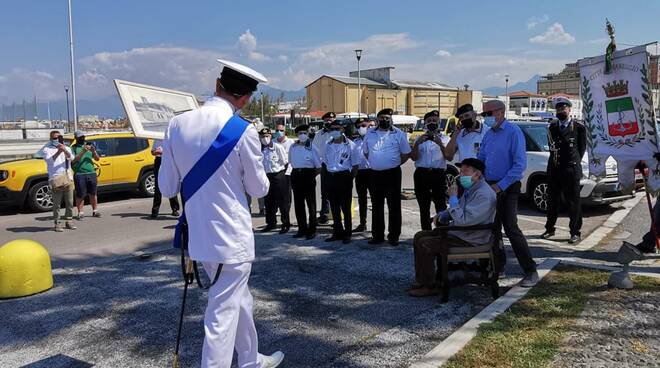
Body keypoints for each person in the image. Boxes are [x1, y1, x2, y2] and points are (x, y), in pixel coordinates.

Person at [158, 59, 283, 368]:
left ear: (217, 85)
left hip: (200, 239)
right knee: (222, 315)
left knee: (239, 300)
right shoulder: (243, 131)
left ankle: (252, 360)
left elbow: (167, 186)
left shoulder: (176, 124)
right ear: (246, 99)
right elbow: (259, 189)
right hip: (233, 241)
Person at [409, 158, 496, 297]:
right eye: (460, 171)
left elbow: (463, 221)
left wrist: (453, 198)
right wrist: (442, 215)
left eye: (465, 171)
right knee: (420, 235)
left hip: (471, 238)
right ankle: (423, 280)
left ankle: (431, 285)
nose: (461, 175)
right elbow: (458, 210)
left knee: (425, 243)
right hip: (462, 233)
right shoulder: (472, 188)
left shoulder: (483, 194)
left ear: (477, 174)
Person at [478, 100, 538, 287]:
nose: (486, 117)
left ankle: (530, 271)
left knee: (511, 228)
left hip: (508, 187)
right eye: (484, 113)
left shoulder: (513, 132)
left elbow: (519, 165)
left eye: (490, 113)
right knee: (492, 230)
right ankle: (498, 267)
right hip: (488, 185)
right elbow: (482, 158)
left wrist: (501, 185)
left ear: (501, 112)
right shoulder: (488, 135)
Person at [363, 108, 412, 246]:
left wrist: (394, 163)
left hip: (392, 174)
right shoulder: (370, 133)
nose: (384, 120)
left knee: (394, 205)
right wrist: (376, 162)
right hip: (375, 174)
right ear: (377, 119)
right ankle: (377, 236)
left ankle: (394, 236)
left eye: (387, 118)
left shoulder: (399, 133)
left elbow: (406, 153)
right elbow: (366, 153)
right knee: (377, 205)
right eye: (382, 118)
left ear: (391, 120)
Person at [541, 97, 587, 244]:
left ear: (569, 110)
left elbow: (581, 148)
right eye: (558, 109)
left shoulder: (578, 128)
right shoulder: (552, 127)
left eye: (564, 108)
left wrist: (573, 163)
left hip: (570, 169)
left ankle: (575, 232)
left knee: (573, 202)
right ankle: (550, 229)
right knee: (552, 201)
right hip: (554, 169)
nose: (561, 111)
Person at [410, 110, 450, 231]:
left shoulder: (445, 138)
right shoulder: (419, 138)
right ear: (425, 123)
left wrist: (440, 144)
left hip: (438, 174)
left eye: (434, 121)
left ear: (439, 123)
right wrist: (417, 144)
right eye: (429, 121)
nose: (432, 123)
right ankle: (426, 233)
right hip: (422, 174)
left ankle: (442, 232)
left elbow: (449, 156)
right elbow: (414, 157)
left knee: (441, 205)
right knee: (424, 206)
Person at [323, 119, 361, 244]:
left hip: (344, 177)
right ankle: (337, 232)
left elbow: (355, 165)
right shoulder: (327, 144)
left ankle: (347, 233)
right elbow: (325, 162)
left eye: (337, 129)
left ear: (343, 129)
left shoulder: (350, 145)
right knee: (334, 207)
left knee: (345, 207)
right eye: (332, 129)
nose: (334, 131)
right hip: (331, 177)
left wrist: (350, 178)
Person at [288, 124, 321, 239]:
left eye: (304, 133)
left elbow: (318, 166)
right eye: (300, 133)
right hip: (296, 174)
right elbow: (291, 161)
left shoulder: (312, 147)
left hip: (308, 175)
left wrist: (311, 176)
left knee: (311, 204)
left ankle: (312, 229)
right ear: (297, 134)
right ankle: (302, 229)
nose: (302, 135)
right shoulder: (293, 147)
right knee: (298, 204)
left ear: (308, 134)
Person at [43, 130, 76, 232]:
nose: (56, 139)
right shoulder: (47, 149)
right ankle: (57, 223)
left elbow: (71, 158)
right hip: (56, 178)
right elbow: (49, 161)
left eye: (58, 138)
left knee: (70, 202)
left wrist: (64, 150)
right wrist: (58, 151)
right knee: (57, 204)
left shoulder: (67, 148)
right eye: (54, 138)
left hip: (68, 177)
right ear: (50, 139)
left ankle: (69, 221)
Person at [260, 127, 291, 234]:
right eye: (263, 137)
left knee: (282, 201)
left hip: (278, 175)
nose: (265, 138)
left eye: (267, 136)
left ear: (271, 136)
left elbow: (284, 161)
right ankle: (271, 223)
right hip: (266, 176)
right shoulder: (260, 150)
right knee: (269, 202)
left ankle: (285, 224)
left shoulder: (277, 147)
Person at [71, 130, 101, 220]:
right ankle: (80, 212)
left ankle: (95, 211)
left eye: (83, 137)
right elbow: (74, 160)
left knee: (93, 193)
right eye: (80, 137)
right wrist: (83, 151)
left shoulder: (90, 146)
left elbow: (97, 159)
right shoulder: (73, 148)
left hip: (91, 173)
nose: (82, 138)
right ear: (76, 138)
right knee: (80, 194)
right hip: (80, 174)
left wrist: (94, 151)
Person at [312, 112, 335, 224]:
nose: (329, 122)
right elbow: (315, 150)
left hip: (336, 166)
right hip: (324, 165)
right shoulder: (319, 134)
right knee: (325, 191)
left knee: (336, 191)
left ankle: (336, 215)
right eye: (327, 120)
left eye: (331, 119)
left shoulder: (338, 133)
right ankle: (324, 214)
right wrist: (317, 165)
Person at [150, 139, 180, 219]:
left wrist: (164, 152)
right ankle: (155, 211)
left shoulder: (169, 139)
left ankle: (175, 209)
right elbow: (152, 152)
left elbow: (174, 151)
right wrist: (156, 152)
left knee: (170, 184)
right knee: (158, 185)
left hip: (168, 161)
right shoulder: (156, 139)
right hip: (159, 161)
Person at [351, 118, 372, 233]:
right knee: (362, 199)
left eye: (363, 125)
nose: (361, 128)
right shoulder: (356, 141)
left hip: (372, 172)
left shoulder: (373, 139)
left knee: (376, 199)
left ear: (369, 125)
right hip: (360, 173)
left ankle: (377, 225)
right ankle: (362, 223)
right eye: (358, 126)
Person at [274, 122, 293, 225]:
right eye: (277, 130)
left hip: (287, 171)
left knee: (286, 197)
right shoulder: (272, 142)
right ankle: (274, 218)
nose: (279, 132)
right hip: (275, 171)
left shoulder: (290, 142)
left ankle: (286, 217)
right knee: (275, 195)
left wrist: (288, 172)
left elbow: (292, 159)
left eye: (281, 130)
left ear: (285, 131)